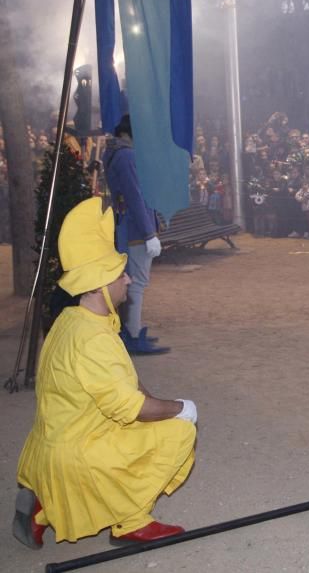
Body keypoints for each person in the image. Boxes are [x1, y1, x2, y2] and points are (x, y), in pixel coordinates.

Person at [13, 198, 197, 549]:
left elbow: (124, 383)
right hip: (75, 453)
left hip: (50, 448)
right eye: (119, 274)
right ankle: (132, 522)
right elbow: (131, 408)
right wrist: (181, 408)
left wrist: (154, 401)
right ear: (98, 285)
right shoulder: (94, 340)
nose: (128, 278)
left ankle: (44, 508)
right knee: (177, 433)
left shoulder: (73, 320)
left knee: (142, 425)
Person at [101, 115, 169, 355]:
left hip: (125, 223)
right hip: (135, 226)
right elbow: (135, 195)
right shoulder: (127, 155)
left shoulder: (112, 153)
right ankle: (132, 333)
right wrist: (149, 232)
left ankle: (131, 329)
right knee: (137, 282)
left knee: (131, 282)